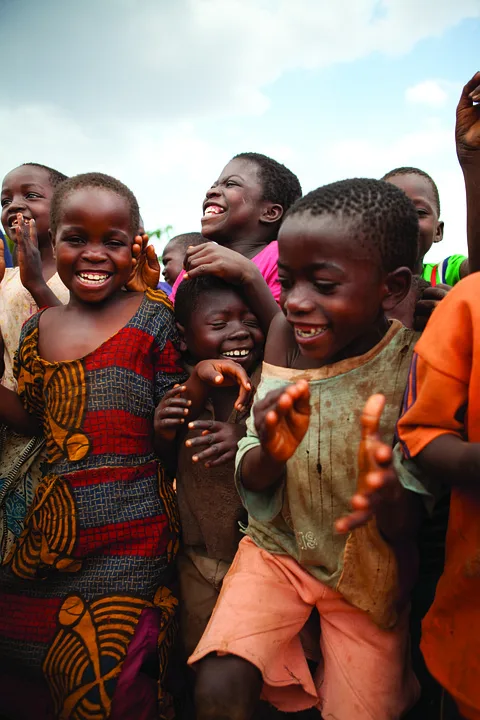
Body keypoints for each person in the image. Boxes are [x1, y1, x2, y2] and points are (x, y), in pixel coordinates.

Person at [0, 171, 249, 720]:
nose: (94, 254)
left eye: (112, 241)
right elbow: (34, 419)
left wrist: (193, 390)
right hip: (52, 537)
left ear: (133, 243)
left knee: (118, 685)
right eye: (76, 238)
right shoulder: (35, 330)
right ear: (52, 242)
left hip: (133, 533)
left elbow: (171, 432)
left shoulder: (152, 319)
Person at [189, 178, 423, 720]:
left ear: (392, 288)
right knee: (220, 683)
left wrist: (387, 492)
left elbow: (410, 522)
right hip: (278, 549)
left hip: (368, 573)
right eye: (288, 281)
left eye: (323, 284)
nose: (295, 303)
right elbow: (255, 470)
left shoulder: (413, 365)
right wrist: (270, 450)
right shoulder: (284, 343)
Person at [397, 73, 480, 720]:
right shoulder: (358, 287)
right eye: (388, 207)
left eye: (417, 211)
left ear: (441, 227)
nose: (403, 220)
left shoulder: (450, 278)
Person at [157, 275, 265, 658]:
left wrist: (244, 439)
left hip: (265, 562)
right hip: (200, 560)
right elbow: (166, 462)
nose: (239, 333)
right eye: (220, 324)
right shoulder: (181, 393)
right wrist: (163, 427)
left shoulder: (268, 385)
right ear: (184, 338)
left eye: (251, 322)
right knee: (202, 657)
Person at [0, 162, 70, 561]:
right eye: (5, 199)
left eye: (31, 195)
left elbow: (76, 337)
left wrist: (37, 285)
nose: (14, 205)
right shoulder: (5, 279)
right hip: (13, 425)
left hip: (61, 422)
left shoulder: (76, 272)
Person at [169, 152, 302, 333]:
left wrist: (249, 276)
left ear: (270, 212)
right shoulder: (199, 261)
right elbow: (170, 330)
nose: (211, 191)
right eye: (214, 185)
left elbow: (292, 337)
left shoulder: (280, 256)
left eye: (230, 184)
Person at [382, 165, 467, 287]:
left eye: (419, 212)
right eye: (392, 212)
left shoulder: (446, 272)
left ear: (438, 231)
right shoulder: (361, 281)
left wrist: (453, 302)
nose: (405, 221)